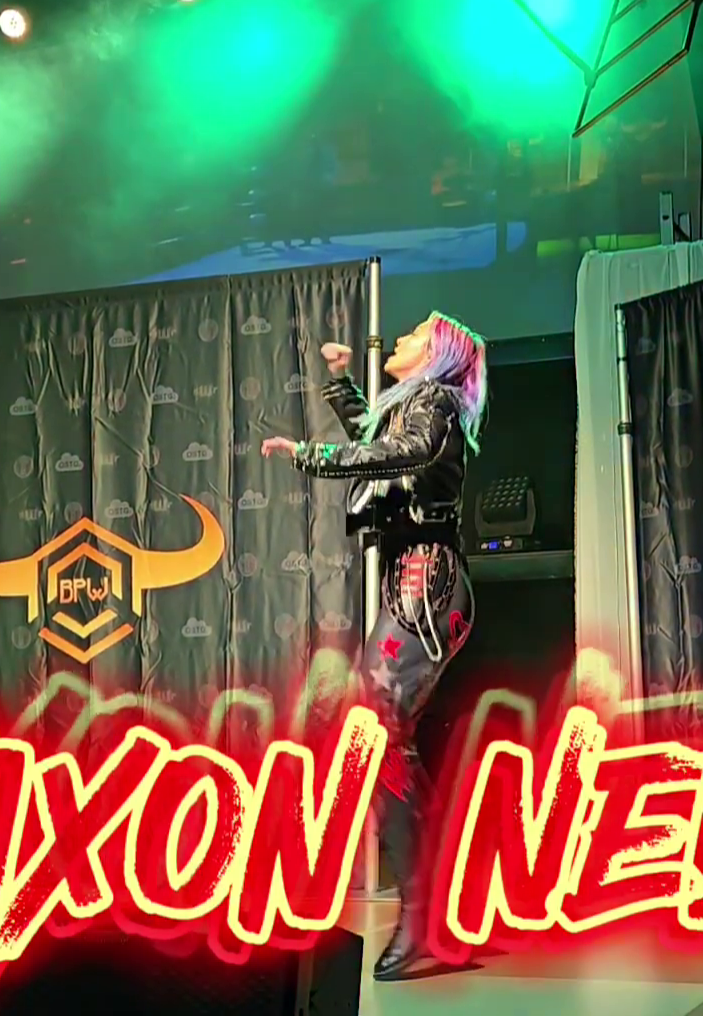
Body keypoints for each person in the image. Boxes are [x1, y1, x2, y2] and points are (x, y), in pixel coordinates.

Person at [262, 311, 487, 981]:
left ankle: (426, 916)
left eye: (415, 335)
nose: (401, 339)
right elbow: (380, 438)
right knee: (381, 741)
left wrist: (312, 454)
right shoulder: (421, 404)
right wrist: (341, 384)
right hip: (412, 581)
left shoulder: (436, 401)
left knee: (378, 736)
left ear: (436, 354)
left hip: (424, 584)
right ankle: (434, 909)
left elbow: (400, 453)